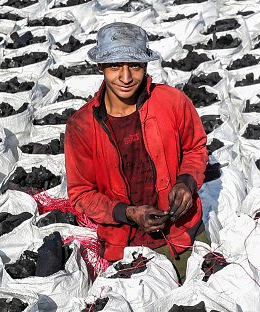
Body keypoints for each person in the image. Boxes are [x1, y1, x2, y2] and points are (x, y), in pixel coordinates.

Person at [64, 22, 209, 281]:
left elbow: (195, 148)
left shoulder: (173, 102)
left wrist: (187, 183)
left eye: (135, 66)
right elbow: (81, 194)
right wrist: (129, 213)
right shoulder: (82, 125)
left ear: (146, 66)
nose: (126, 77)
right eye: (114, 66)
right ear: (100, 67)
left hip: (183, 235)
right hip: (125, 251)